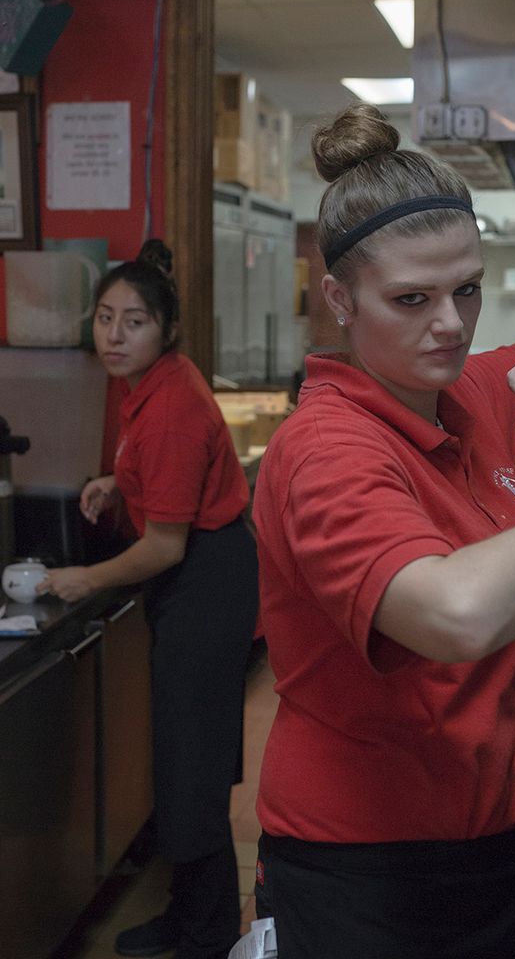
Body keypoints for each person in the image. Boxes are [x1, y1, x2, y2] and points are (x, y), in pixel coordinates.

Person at [250, 102, 515, 959]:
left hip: (486, 849)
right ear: (340, 300)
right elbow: (454, 615)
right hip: (372, 874)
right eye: (412, 299)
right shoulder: (326, 451)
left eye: (468, 289)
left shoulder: (466, 392)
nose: (453, 325)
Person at [39, 240, 259, 959]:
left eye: (133, 321)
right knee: (186, 762)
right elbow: (159, 480)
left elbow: (164, 546)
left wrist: (84, 580)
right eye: (104, 318)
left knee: (191, 768)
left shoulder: (169, 408)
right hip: (203, 575)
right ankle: (190, 914)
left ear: (165, 329)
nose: (113, 335)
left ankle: (202, 936)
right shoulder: (157, 384)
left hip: (203, 582)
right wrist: (118, 483)